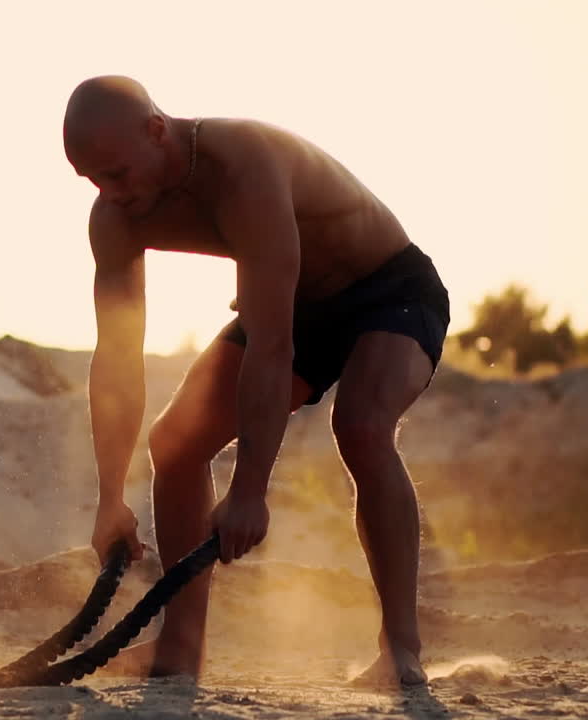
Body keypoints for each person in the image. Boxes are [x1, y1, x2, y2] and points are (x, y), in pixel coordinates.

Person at [63, 75, 450, 686]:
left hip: (390, 293)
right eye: (92, 180)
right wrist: (110, 498)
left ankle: (401, 649)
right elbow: (116, 359)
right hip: (296, 303)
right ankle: (180, 649)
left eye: (116, 173)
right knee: (175, 445)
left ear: (157, 131)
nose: (109, 193)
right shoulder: (116, 219)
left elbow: (271, 346)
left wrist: (250, 490)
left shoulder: (243, 165)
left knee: (361, 427)